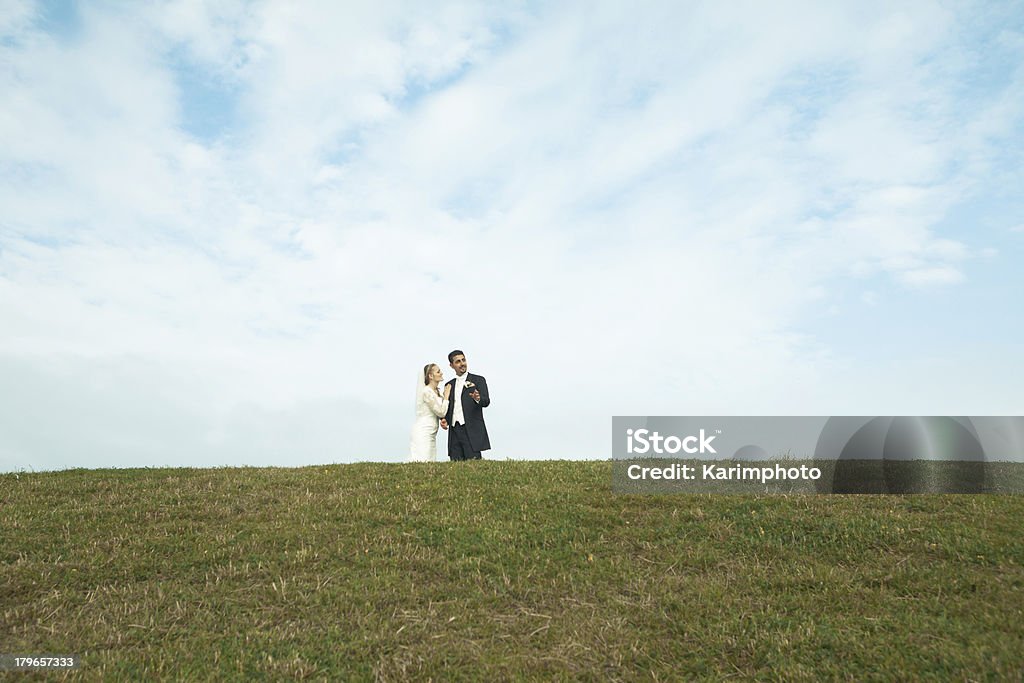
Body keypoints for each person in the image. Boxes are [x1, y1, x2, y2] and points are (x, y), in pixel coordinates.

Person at [441, 349, 491, 460]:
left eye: (463, 360)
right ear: (451, 365)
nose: (462, 363)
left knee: (474, 465)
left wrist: (477, 398)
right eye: (458, 361)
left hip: (471, 430)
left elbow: (486, 401)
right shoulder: (449, 385)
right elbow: (449, 406)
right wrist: (444, 419)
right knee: (455, 466)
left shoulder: (478, 380)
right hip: (454, 431)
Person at [408, 363, 452, 462]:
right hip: (423, 430)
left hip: (432, 432)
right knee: (422, 460)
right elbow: (441, 412)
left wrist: (443, 420)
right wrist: (446, 397)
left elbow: (438, 413)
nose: (441, 373)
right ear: (430, 376)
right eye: (438, 371)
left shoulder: (436, 392)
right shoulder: (426, 392)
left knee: (430, 461)